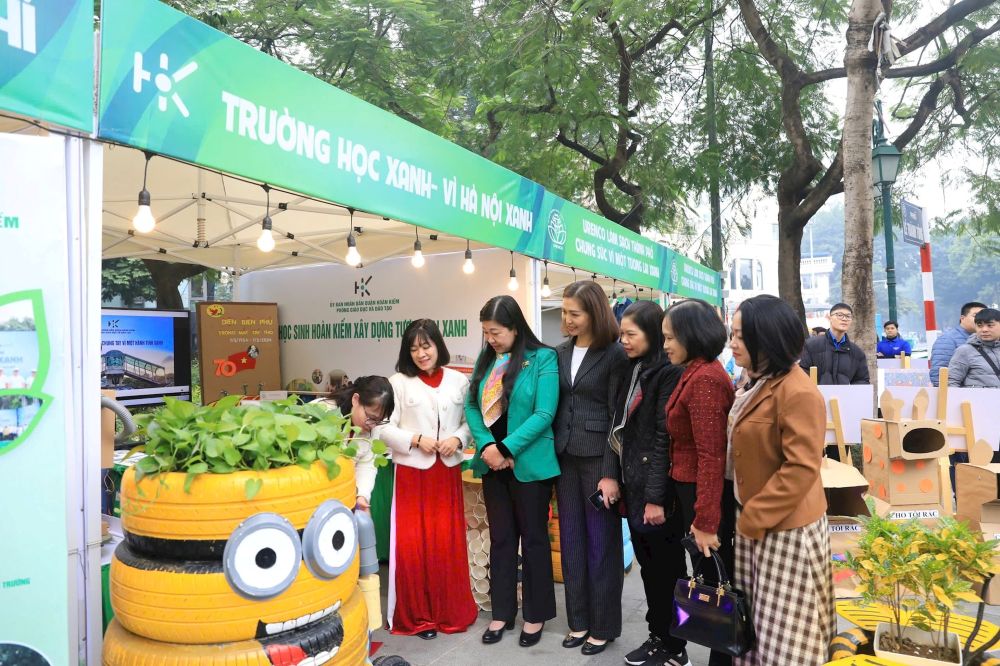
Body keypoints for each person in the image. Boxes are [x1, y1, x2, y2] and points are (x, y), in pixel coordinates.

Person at [729, 295, 835, 666]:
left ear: (767, 339)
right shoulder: (757, 381)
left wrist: (754, 515)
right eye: (732, 334)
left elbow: (801, 469)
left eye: (741, 336)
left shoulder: (798, 390)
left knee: (787, 633)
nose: (732, 343)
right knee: (761, 623)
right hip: (758, 523)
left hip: (784, 527)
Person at [465, 295, 560, 647]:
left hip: (528, 463)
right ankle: (502, 612)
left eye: (496, 332)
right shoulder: (487, 359)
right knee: (502, 539)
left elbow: (544, 413)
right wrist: (488, 448)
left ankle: (535, 615)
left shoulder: (543, 358)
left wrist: (506, 448)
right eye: (486, 332)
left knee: (534, 539)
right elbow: (471, 405)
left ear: (515, 328)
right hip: (493, 464)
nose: (490, 339)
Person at [373, 319, 477, 639]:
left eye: (426, 346)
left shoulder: (458, 381)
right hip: (412, 475)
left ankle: (449, 611)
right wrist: (415, 439)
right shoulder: (398, 383)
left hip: (446, 474)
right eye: (414, 348)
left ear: (437, 345)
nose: (421, 353)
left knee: (446, 543)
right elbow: (381, 427)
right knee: (413, 546)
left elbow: (470, 422)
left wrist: (458, 439)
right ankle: (418, 617)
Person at [599, 301, 686, 666]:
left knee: (668, 571)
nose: (624, 341)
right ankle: (659, 637)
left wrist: (655, 498)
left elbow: (663, 439)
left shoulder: (668, 373)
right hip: (634, 484)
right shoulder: (632, 368)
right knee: (651, 569)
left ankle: (674, 645)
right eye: (621, 334)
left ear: (652, 334)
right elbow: (617, 425)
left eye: (631, 334)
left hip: (656, 490)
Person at [552, 281, 626, 655]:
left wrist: (611, 472)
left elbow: (617, 415)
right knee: (571, 542)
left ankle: (603, 625)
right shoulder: (559, 352)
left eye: (574, 314)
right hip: (565, 456)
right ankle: (578, 621)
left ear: (594, 313)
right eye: (564, 312)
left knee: (601, 546)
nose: (567, 320)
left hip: (599, 458)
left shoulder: (614, 354)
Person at [663, 299, 736, 666]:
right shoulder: (695, 371)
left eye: (670, 337)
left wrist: (705, 521)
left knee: (714, 588)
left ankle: (721, 659)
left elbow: (711, 455)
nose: (665, 345)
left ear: (691, 335)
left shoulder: (706, 378)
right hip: (691, 490)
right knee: (708, 585)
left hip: (702, 494)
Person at [311, 375, 394, 511]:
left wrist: (361, 495)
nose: (372, 425)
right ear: (355, 400)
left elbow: (367, 464)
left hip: (340, 497)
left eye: (378, 421)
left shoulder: (373, 428)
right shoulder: (322, 410)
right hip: (312, 493)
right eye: (371, 417)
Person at [799, 303, 869, 385]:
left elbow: (862, 380)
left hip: (845, 393)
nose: (844, 319)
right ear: (829, 318)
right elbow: (802, 374)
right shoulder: (811, 345)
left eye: (848, 316)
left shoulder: (857, 352)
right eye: (840, 315)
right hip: (817, 393)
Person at [931, 301, 986, 386]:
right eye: (975, 315)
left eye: (984, 316)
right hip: (960, 392)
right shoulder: (948, 339)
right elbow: (938, 375)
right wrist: (953, 393)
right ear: (962, 318)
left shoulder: (986, 339)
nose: (980, 319)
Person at [948, 308, 1000, 388]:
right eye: (979, 326)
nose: (984, 330)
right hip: (976, 396)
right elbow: (951, 382)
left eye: (990, 325)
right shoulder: (965, 351)